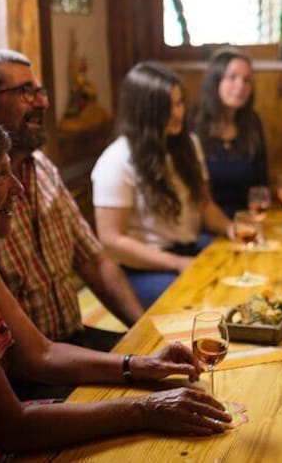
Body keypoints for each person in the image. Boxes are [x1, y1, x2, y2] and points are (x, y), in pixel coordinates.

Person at [0, 113, 230, 460]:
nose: (17, 188)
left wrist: (139, 364)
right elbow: (10, 427)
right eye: (1, 175)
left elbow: (41, 354)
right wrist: (146, 410)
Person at [0, 49, 144, 353]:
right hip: (26, 369)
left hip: (73, 341)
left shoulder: (41, 166)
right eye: (25, 92)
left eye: (39, 91)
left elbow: (92, 259)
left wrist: (144, 331)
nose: (42, 102)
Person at [92, 61, 232, 309]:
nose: (177, 113)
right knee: (204, 302)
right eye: (166, 108)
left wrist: (232, 229)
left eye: (179, 103)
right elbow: (111, 239)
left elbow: (205, 204)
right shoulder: (116, 160)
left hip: (190, 247)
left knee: (240, 273)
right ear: (143, 112)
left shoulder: (188, 143)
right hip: (145, 267)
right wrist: (175, 263)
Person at [190, 48, 269, 218]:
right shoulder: (193, 125)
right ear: (215, 81)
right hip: (204, 224)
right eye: (232, 78)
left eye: (247, 80)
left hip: (247, 221)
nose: (240, 86)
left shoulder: (252, 123)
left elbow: (262, 185)